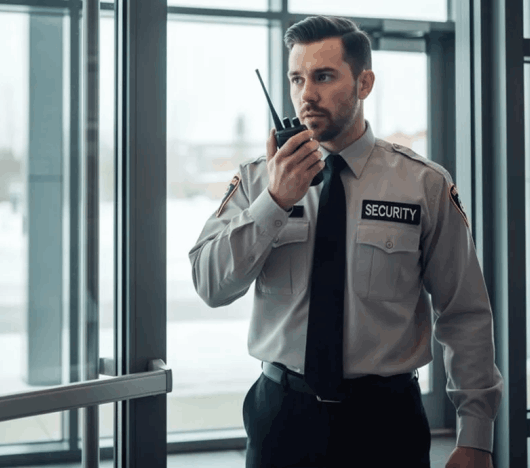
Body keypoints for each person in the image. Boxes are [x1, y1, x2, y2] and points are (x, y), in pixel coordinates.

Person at [189, 15, 503, 468]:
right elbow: (209, 284)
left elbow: (464, 311)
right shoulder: (260, 178)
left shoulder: (423, 184)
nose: (306, 95)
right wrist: (274, 202)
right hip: (281, 417)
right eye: (297, 79)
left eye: (323, 76)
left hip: (386, 422)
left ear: (364, 82)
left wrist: (476, 435)